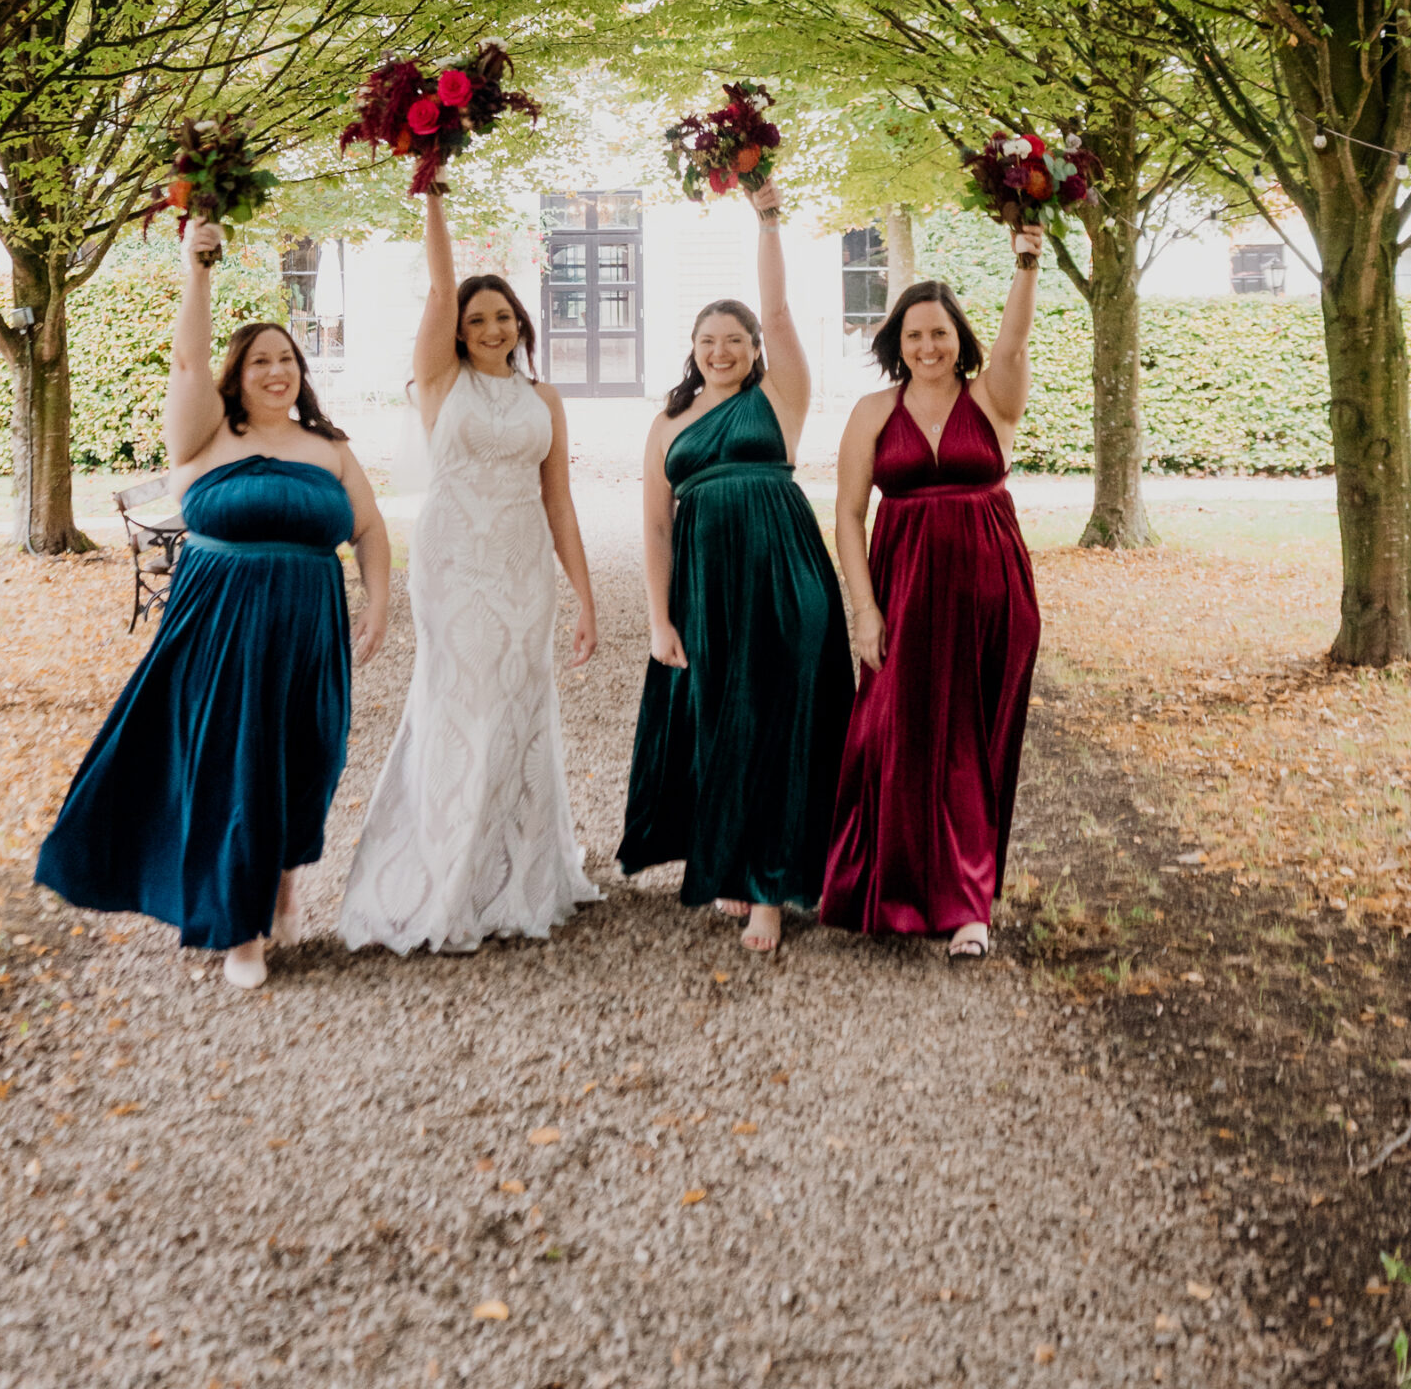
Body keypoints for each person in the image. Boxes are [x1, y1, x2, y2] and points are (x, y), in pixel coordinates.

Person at [36, 220, 390, 990]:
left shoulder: (329, 447)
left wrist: (379, 605)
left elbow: (368, 529)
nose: (276, 371)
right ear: (235, 374)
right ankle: (239, 931)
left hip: (307, 626)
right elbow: (187, 356)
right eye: (260, 360)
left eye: (286, 360)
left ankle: (281, 883)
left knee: (304, 760)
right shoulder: (202, 439)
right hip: (219, 626)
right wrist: (196, 264)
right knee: (234, 766)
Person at [337, 189, 599, 954]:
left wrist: (583, 596)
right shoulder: (440, 383)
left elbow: (560, 506)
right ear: (457, 329)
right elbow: (438, 282)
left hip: (523, 566)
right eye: (477, 318)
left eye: (504, 316)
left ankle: (514, 874)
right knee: (459, 706)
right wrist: (431, 191)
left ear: (521, 325)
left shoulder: (543, 397)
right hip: (454, 565)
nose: (491, 327)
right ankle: (444, 871)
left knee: (519, 709)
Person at [617, 182, 855, 955]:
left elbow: (779, 309)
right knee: (719, 723)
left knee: (779, 722)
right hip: (705, 591)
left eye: (734, 339)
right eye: (707, 340)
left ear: (755, 349)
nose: (720, 350)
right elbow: (654, 527)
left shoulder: (781, 399)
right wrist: (659, 618)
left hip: (785, 579)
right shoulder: (666, 424)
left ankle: (770, 889)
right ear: (691, 347)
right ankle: (726, 859)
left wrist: (768, 218)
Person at [819, 231, 1045, 960]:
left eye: (939, 333)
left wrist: (1026, 262)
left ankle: (967, 907)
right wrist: (863, 609)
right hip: (902, 590)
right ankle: (884, 890)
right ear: (897, 341)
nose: (927, 346)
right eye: (914, 334)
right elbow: (848, 515)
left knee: (971, 746)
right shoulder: (871, 412)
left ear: (958, 338)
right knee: (890, 735)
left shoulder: (992, 397)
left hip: (990, 592)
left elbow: (1012, 344)